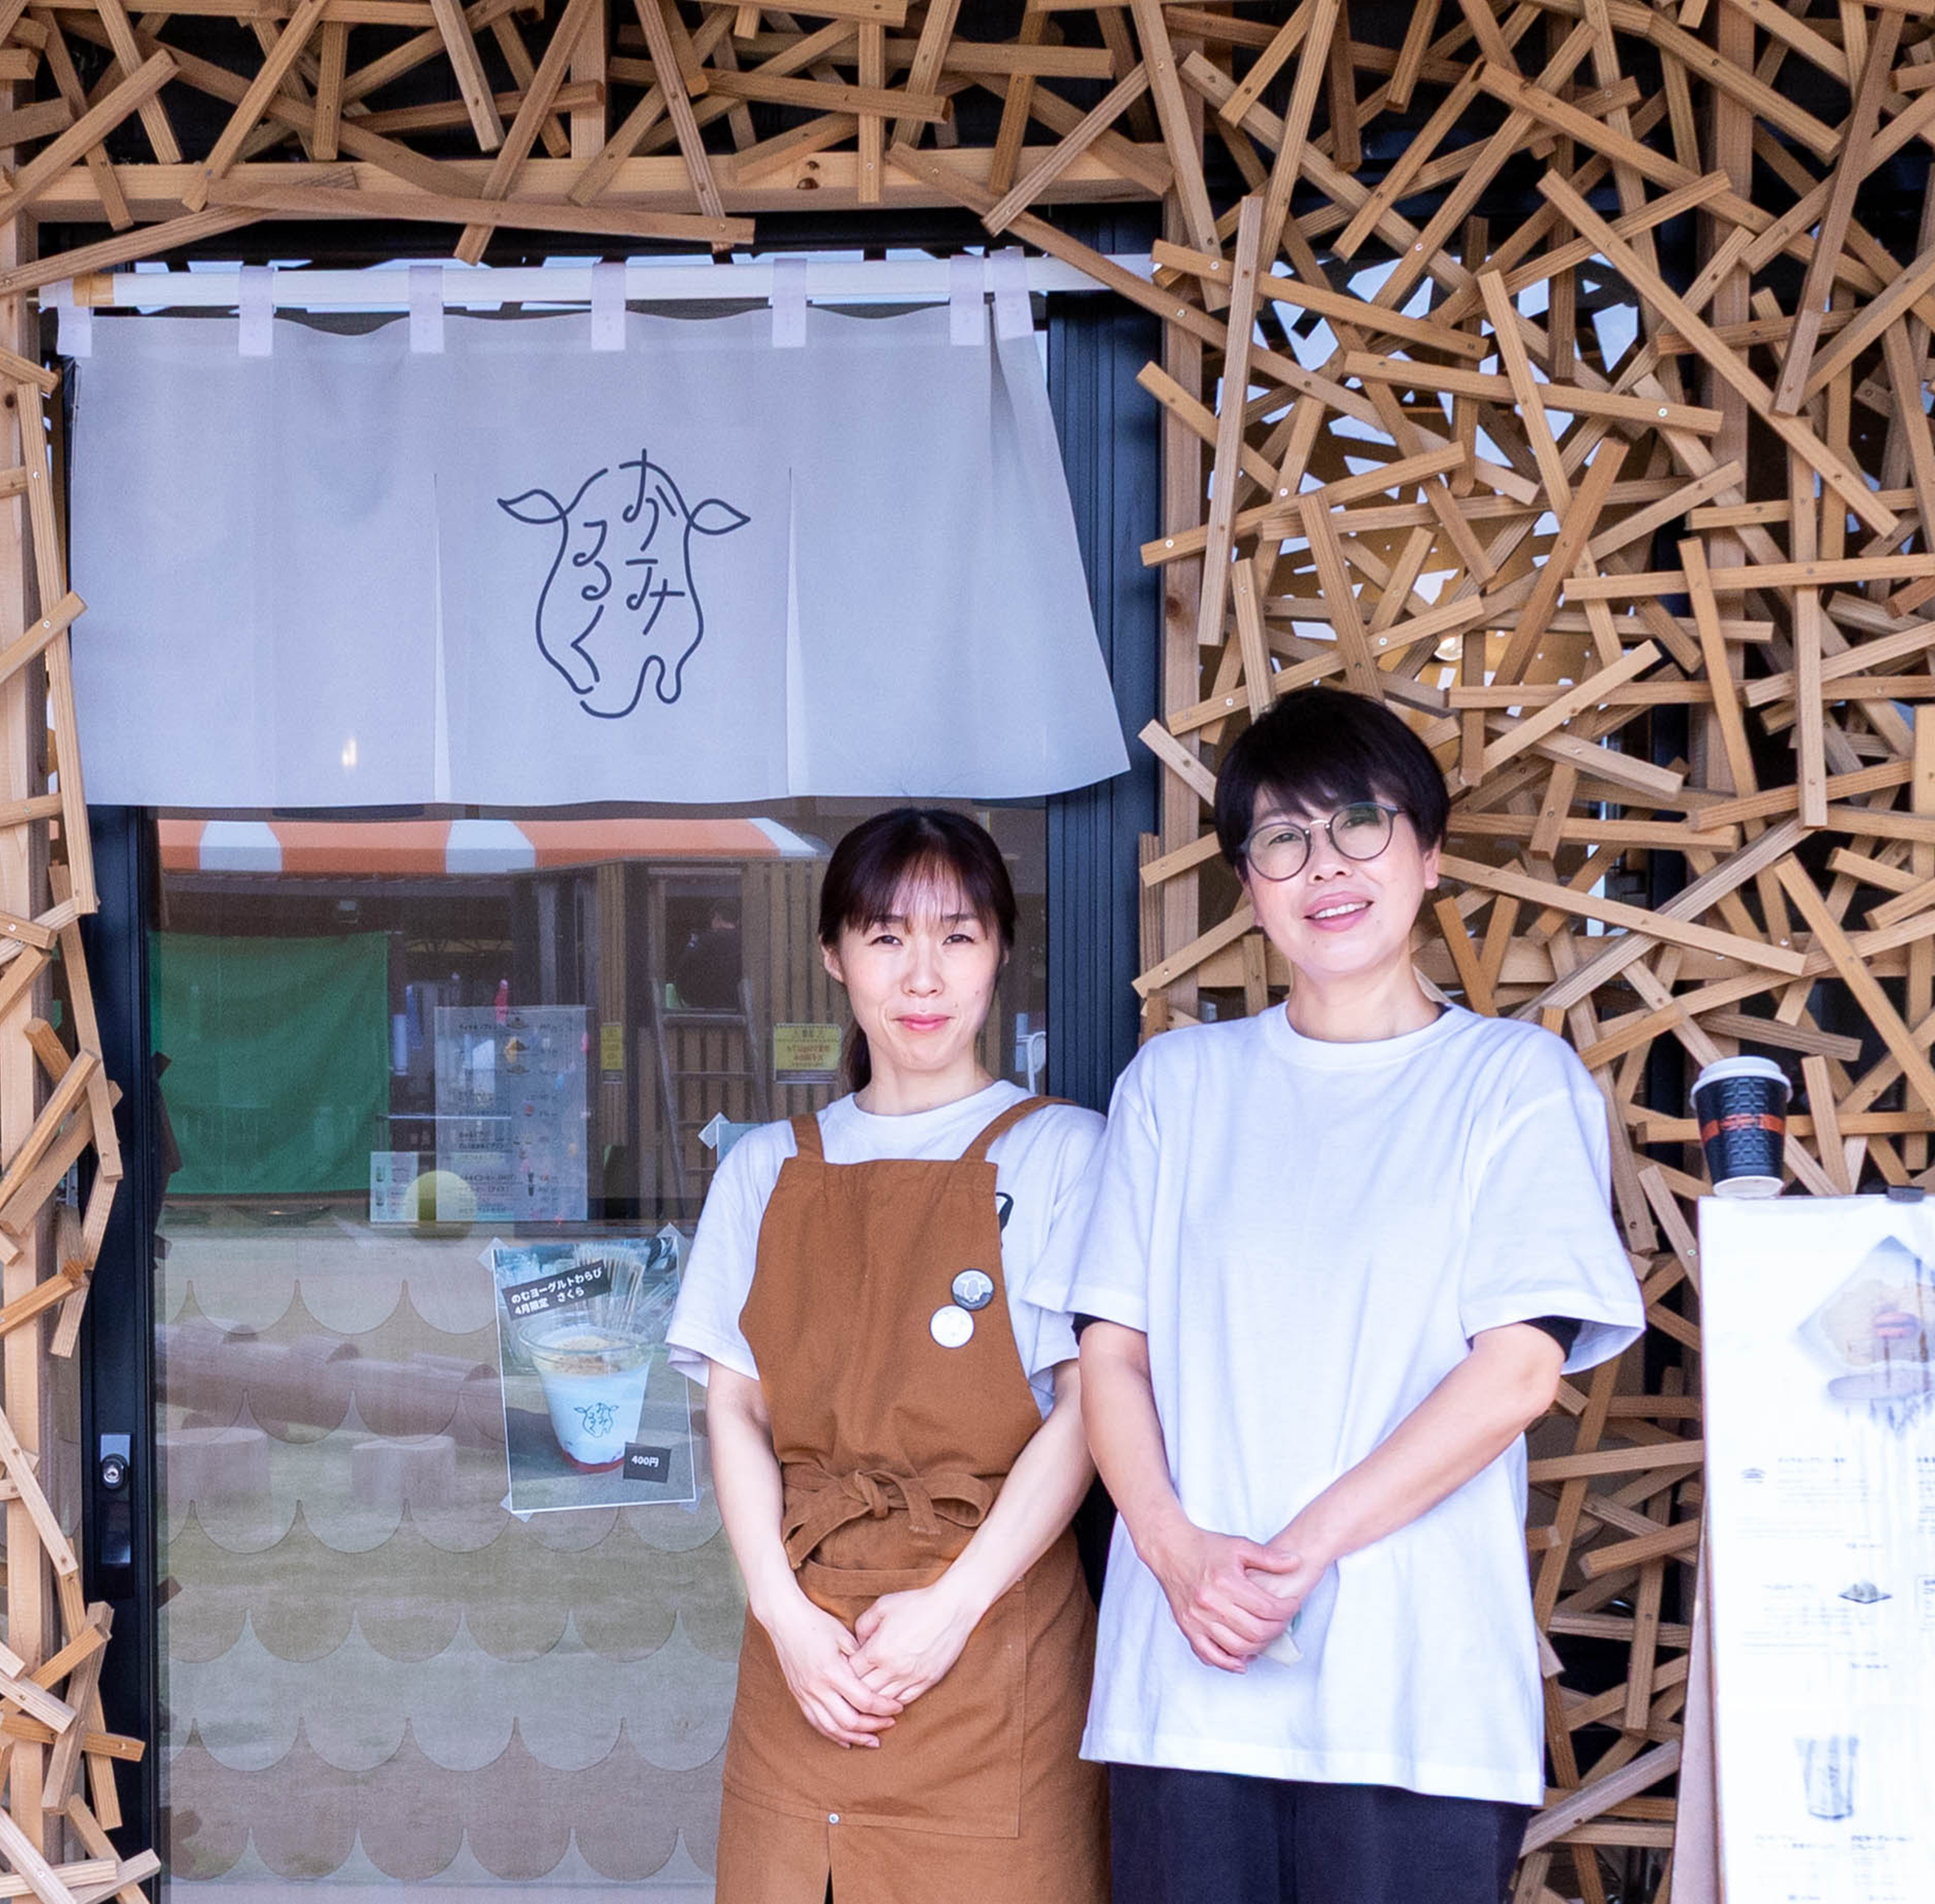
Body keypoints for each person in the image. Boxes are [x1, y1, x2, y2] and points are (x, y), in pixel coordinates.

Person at [1045, 687, 1644, 1904]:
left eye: (1361, 824)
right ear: (1248, 883)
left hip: (1411, 1696)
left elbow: (1517, 1373)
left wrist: (1294, 1555)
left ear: (1428, 855)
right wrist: (1173, 1553)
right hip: (1189, 1690)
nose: (1325, 866)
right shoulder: (1177, 1085)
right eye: (1282, 838)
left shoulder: (1513, 1083)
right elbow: (1110, 1354)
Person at [668, 807, 1106, 1902]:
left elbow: (1090, 1408)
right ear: (834, 955)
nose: (924, 976)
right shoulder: (765, 1168)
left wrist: (951, 1609)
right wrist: (783, 1617)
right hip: (805, 1651)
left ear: (999, 950)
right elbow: (735, 1410)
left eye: (958, 936)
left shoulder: (1064, 1150)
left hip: (997, 1636)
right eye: (885, 937)